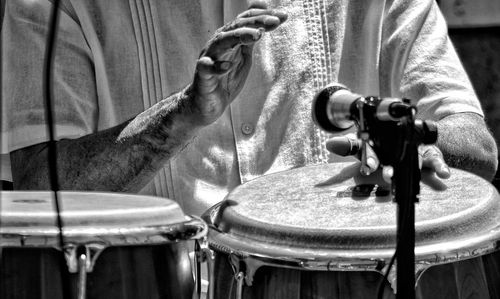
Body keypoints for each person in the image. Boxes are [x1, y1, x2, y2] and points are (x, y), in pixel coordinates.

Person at [1, 0, 498, 298]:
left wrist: (417, 150)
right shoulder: (57, 6)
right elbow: (40, 187)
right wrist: (181, 118)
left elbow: (474, 144)